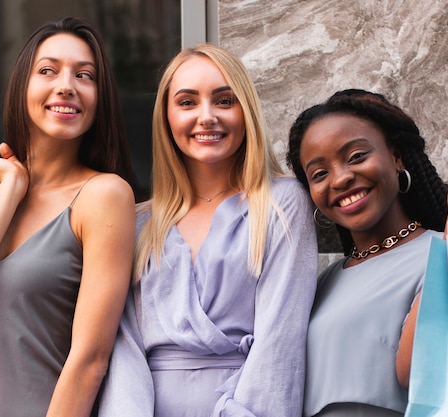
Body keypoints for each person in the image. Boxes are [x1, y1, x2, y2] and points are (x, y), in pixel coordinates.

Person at [0, 17, 136, 417]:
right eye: (47, 70)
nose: (66, 85)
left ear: (99, 98)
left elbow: (90, 360)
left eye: (84, 75)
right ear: (22, 87)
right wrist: (11, 191)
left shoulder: (104, 196)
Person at [98, 43, 319, 416]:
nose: (206, 117)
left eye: (224, 100)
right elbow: (122, 347)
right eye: (187, 102)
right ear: (166, 117)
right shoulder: (137, 222)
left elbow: (280, 341)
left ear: (245, 110)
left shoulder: (283, 204)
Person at [285, 89, 448, 417]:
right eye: (319, 174)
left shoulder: (444, 249)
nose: (341, 178)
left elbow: (421, 367)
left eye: (357, 155)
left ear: (397, 157)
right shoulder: (322, 283)